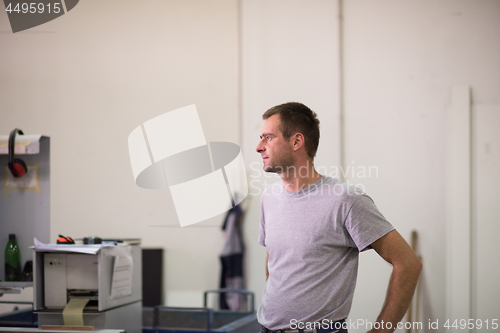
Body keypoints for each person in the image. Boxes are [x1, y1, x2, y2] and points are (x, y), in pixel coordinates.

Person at [255, 102, 422, 333]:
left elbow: (408, 264)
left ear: (296, 141)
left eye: (267, 137)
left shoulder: (345, 200)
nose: (258, 147)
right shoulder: (269, 198)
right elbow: (275, 259)